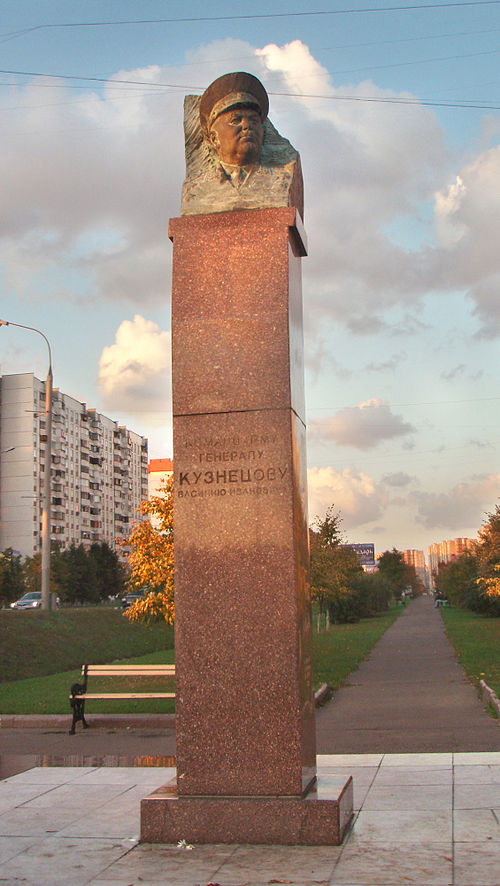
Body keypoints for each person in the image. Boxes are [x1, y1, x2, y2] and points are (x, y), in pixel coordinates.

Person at [180, 71, 303, 218]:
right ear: (214, 139)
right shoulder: (197, 190)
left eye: (253, 120)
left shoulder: (280, 180)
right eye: (236, 120)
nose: (247, 126)